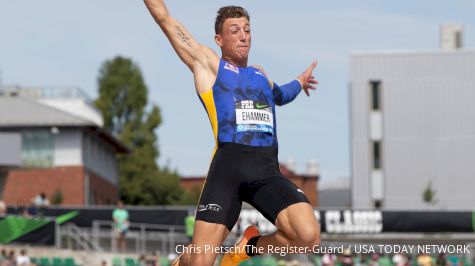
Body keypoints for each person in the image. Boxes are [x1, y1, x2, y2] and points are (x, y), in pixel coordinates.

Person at [143, 1, 320, 265]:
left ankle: (250, 246)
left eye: (247, 29)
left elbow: (281, 95)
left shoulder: (260, 75)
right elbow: (166, 20)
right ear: (219, 39)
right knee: (201, 260)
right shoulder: (210, 66)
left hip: (267, 172)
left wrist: (300, 82)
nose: (243, 35)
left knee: (308, 236)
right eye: (235, 30)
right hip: (228, 172)